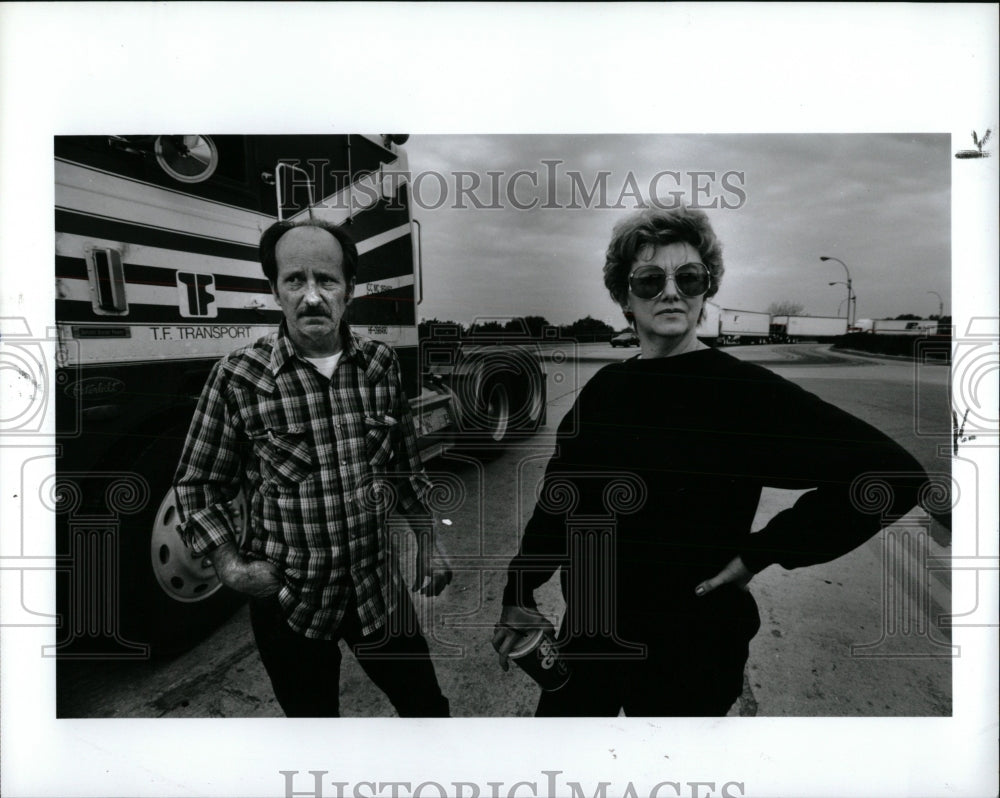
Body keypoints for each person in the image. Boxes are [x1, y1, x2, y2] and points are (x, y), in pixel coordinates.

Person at [492, 206, 937, 716]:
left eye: (689, 277)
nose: (671, 291)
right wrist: (519, 591)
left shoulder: (742, 393)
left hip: (691, 651)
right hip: (590, 639)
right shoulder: (603, 392)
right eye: (650, 278)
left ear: (706, 289)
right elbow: (557, 501)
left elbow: (892, 474)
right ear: (623, 296)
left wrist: (760, 553)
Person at [174, 219, 452, 717]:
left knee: (427, 710)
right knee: (314, 732)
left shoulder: (379, 364)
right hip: (289, 601)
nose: (312, 297)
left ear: (350, 290)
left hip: (377, 589)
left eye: (326, 280)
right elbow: (199, 484)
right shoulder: (239, 376)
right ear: (274, 291)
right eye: (294, 280)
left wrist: (430, 544)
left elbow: (405, 468)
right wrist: (232, 567)